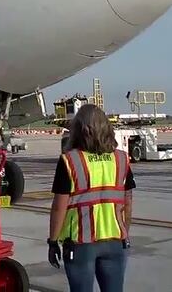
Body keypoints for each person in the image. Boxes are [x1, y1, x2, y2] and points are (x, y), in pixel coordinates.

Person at [48, 104, 135, 292]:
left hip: (80, 243)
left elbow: (59, 207)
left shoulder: (69, 160)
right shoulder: (121, 159)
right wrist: (124, 232)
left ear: (78, 131)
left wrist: (53, 241)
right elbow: (127, 202)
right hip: (115, 241)